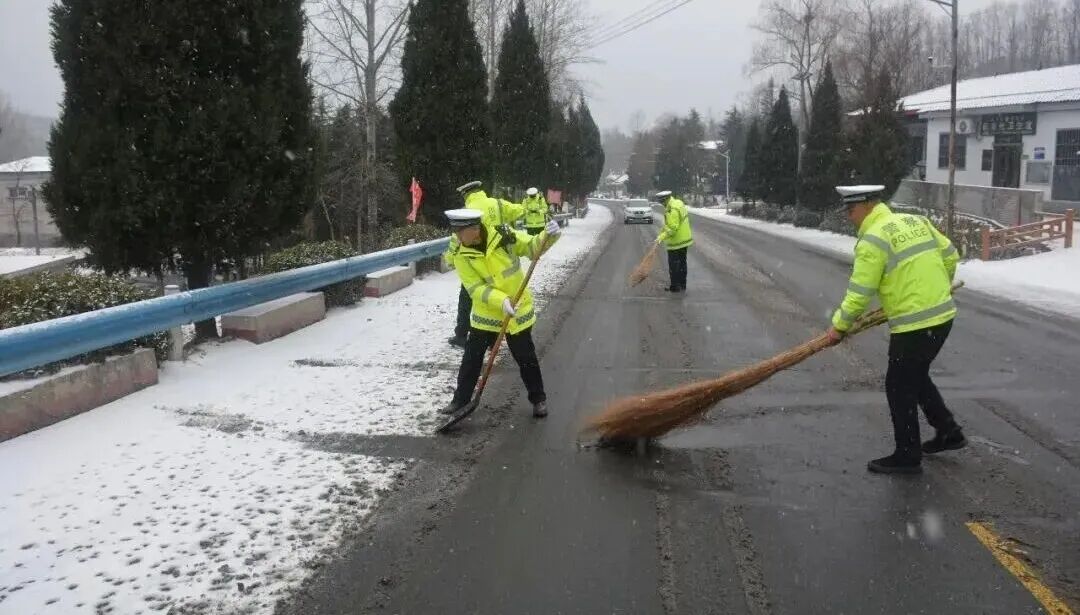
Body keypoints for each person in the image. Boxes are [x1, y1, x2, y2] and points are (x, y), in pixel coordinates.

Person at [826, 185, 966, 475]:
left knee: (899, 385)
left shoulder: (873, 239)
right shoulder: (915, 221)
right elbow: (951, 255)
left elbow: (860, 292)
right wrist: (940, 288)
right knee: (914, 376)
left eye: (851, 210)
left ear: (867, 205)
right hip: (942, 317)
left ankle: (907, 455)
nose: (850, 217)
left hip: (915, 323)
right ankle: (948, 431)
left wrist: (838, 327)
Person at [441, 208, 561, 418]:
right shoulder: (460, 253)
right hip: (486, 313)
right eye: (456, 232)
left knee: (525, 357)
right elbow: (475, 288)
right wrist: (501, 300)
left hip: (516, 309)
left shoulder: (505, 236)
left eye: (461, 232)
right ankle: (460, 400)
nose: (458, 237)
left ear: (475, 229)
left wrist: (549, 235)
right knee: (471, 358)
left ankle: (538, 399)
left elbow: (533, 248)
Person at [445, 181, 525, 348]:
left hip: (474, 260)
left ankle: (461, 334)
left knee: (469, 298)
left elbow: (457, 239)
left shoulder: (468, 212)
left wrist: (451, 258)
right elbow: (518, 211)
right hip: (499, 260)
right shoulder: (497, 203)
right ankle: (493, 339)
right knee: (498, 298)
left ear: (466, 194)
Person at [654, 190, 693, 292]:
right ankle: (682, 284)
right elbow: (669, 225)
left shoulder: (672, 209)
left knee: (674, 265)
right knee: (682, 263)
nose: (661, 203)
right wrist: (661, 233)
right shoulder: (678, 203)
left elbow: (672, 229)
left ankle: (675, 287)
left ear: (665, 200)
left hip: (676, 242)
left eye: (661, 201)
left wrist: (661, 237)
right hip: (684, 239)